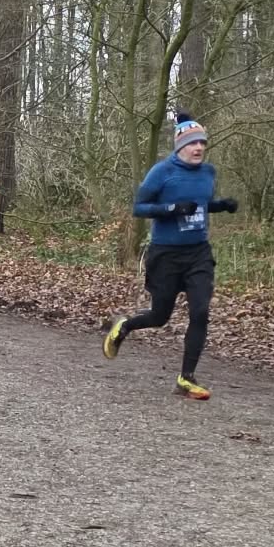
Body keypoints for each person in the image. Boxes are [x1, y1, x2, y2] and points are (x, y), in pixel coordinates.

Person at [102, 111, 237, 400]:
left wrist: (220, 205)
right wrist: (172, 210)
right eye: (192, 143)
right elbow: (139, 208)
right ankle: (124, 326)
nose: (199, 148)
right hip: (165, 255)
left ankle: (186, 378)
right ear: (179, 147)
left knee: (200, 312)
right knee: (160, 316)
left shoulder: (208, 173)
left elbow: (199, 204)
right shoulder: (161, 172)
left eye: (202, 143)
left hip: (198, 253)